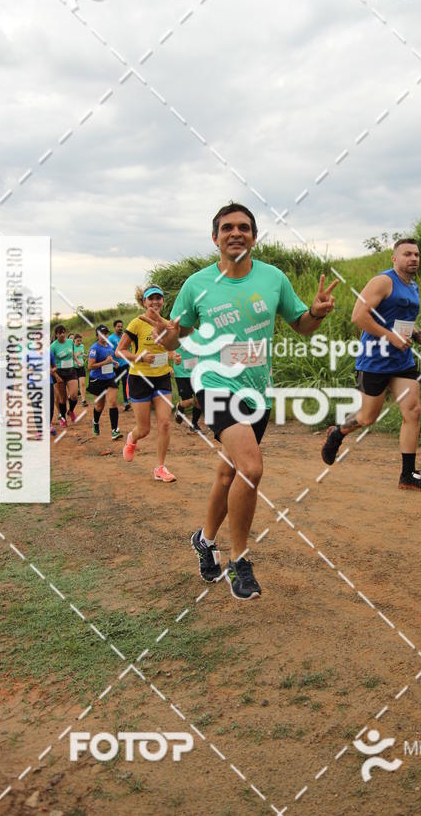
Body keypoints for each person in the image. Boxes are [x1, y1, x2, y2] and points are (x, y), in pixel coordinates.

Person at [142, 202, 338, 601]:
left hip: (256, 391)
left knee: (230, 473)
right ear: (215, 237)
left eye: (244, 227)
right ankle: (239, 561)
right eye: (227, 227)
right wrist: (167, 335)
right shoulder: (197, 285)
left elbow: (301, 325)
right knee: (251, 468)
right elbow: (176, 338)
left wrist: (316, 313)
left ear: (254, 236)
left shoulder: (273, 278)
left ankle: (204, 538)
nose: (236, 232)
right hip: (213, 385)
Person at [321, 238, 421, 491]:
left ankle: (408, 475)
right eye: (407, 254)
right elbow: (358, 316)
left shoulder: (413, 286)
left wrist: (415, 333)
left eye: (416, 254)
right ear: (394, 258)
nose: (413, 258)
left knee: (412, 411)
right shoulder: (383, 281)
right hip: (375, 360)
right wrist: (390, 337)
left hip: (402, 360)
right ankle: (338, 433)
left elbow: (397, 319)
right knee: (367, 417)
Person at [116, 286, 177, 482]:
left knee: (165, 423)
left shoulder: (167, 324)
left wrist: (173, 355)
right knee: (144, 429)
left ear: (163, 302)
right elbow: (120, 351)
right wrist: (140, 358)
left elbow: (169, 347)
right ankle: (132, 439)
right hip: (139, 378)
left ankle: (160, 468)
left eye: (159, 298)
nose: (155, 302)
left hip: (162, 378)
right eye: (151, 299)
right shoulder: (136, 324)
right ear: (144, 302)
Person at [87, 324, 123, 439]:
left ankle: (114, 430)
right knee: (99, 406)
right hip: (97, 379)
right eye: (101, 334)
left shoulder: (109, 346)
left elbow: (109, 358)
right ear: (97, 336)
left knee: (112, 402)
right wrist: (105, 362)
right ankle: (95, 422)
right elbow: (90, 366)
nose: (104, 336)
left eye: (106, 333)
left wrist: (114, 363)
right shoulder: (94, 348)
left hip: (110, 378)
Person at [173, 331, 203, 433]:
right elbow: (168, 349)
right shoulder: (177, 334)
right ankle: (180, 407)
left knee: (199, 399)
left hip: (196, 372)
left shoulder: (199, 334)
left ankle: (194, 424)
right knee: (188, 401)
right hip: (181, 373)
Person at [50, 325, 78, 426]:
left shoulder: (70, 342)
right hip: (59, 373)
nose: (62, 334)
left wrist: (77, 361)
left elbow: (73, 352)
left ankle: (70, 411)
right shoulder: (53, 346)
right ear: (56, 334)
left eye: (64, 332)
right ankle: (63, 417)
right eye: (60, 333)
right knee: (62, 398)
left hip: (71, 371)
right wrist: (55, 374)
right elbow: (50, 362)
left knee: (74, 395)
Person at [108, 319, 132, 411]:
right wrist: (113, 362)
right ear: (114, 327)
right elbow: (109, 352)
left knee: (126, 383)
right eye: (118, 326)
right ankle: (112, 402)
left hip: (125, 364)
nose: (120, 328)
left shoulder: (124, 337)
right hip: (115, 366)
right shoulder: (111, 338)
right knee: (115, 384)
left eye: (121, 326)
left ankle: (126, 403)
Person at [73, 334, 88, 407]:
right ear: (74, 340)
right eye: (78, 341)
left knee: (82, 384)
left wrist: (86, 355)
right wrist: (76, 355)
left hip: (81, 367)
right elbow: (70, 357)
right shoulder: (71, 347)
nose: (79, 342)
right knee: (75, 386)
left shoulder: (82, 346)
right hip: (73, 368)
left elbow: (81, 354)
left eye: (80, 341)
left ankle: (83, 400)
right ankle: (72, 398)